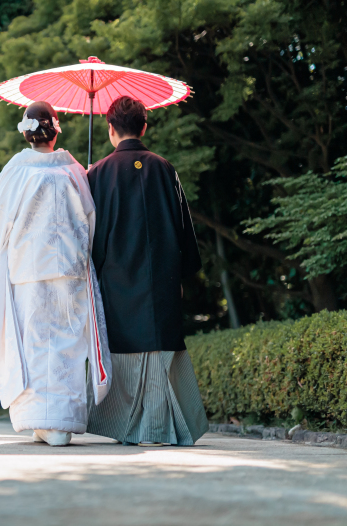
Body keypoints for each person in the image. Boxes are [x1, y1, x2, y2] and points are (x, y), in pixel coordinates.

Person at [85, 95, 209, 446]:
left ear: (110, 128)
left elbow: (91, 235)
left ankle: (126, 429)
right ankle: (161, 427)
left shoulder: (98, 173)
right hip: (161, 278)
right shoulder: (164, 168)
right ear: (144, 126)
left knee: (123, 351)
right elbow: (183, 225)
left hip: (117, 279)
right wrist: (184, 270)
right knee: (159, 348)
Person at [0, 101, 112, 447]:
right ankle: (60, 420)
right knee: (66, 342)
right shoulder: (73, 170)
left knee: (32, 342)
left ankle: (39, 419)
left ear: (27, 134)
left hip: (27, 270)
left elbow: (3, 224)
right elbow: (90, 220)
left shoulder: (15, 171)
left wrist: (4, 263)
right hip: (69, 269)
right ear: (55, 132)